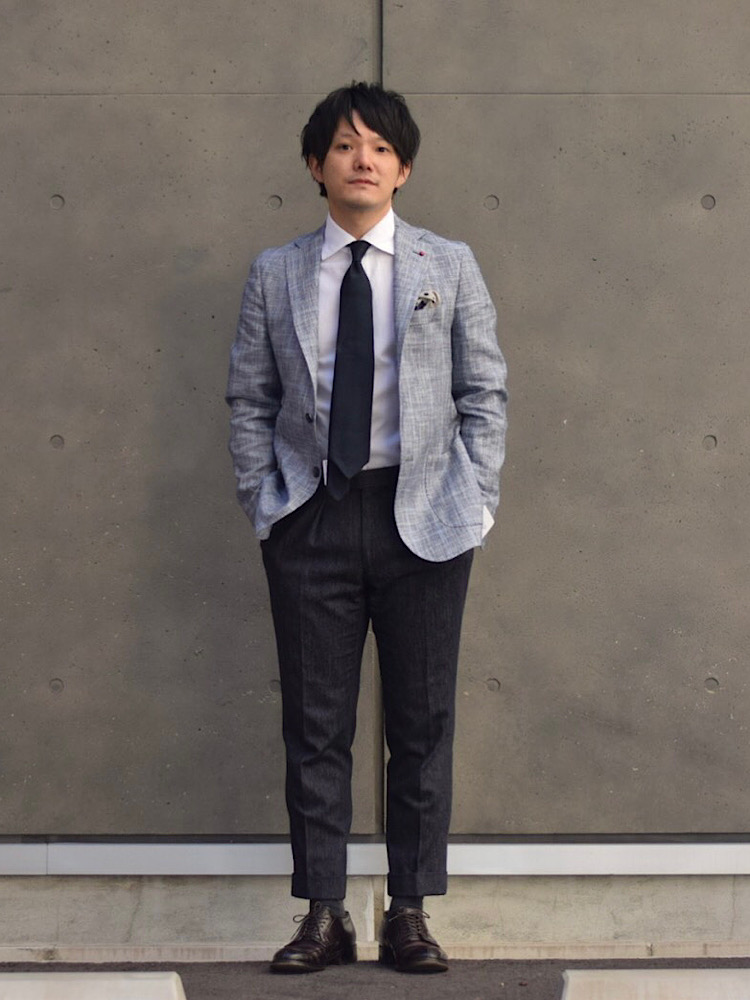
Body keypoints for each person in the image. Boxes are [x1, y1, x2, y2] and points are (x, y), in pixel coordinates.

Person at [226, 82, 507, 975]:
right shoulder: (276, 272)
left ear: (404, 168)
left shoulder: (446, 263)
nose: (363, 160)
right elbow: (250, 397)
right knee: (315, 726)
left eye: (381, 148)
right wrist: (267, 503)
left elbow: (483, 391)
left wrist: (477, 500)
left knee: (421, 725)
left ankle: (410, 913)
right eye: (346, 146)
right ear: (316, 165)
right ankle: (324, 913)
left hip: (424, 520)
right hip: (312, 515)